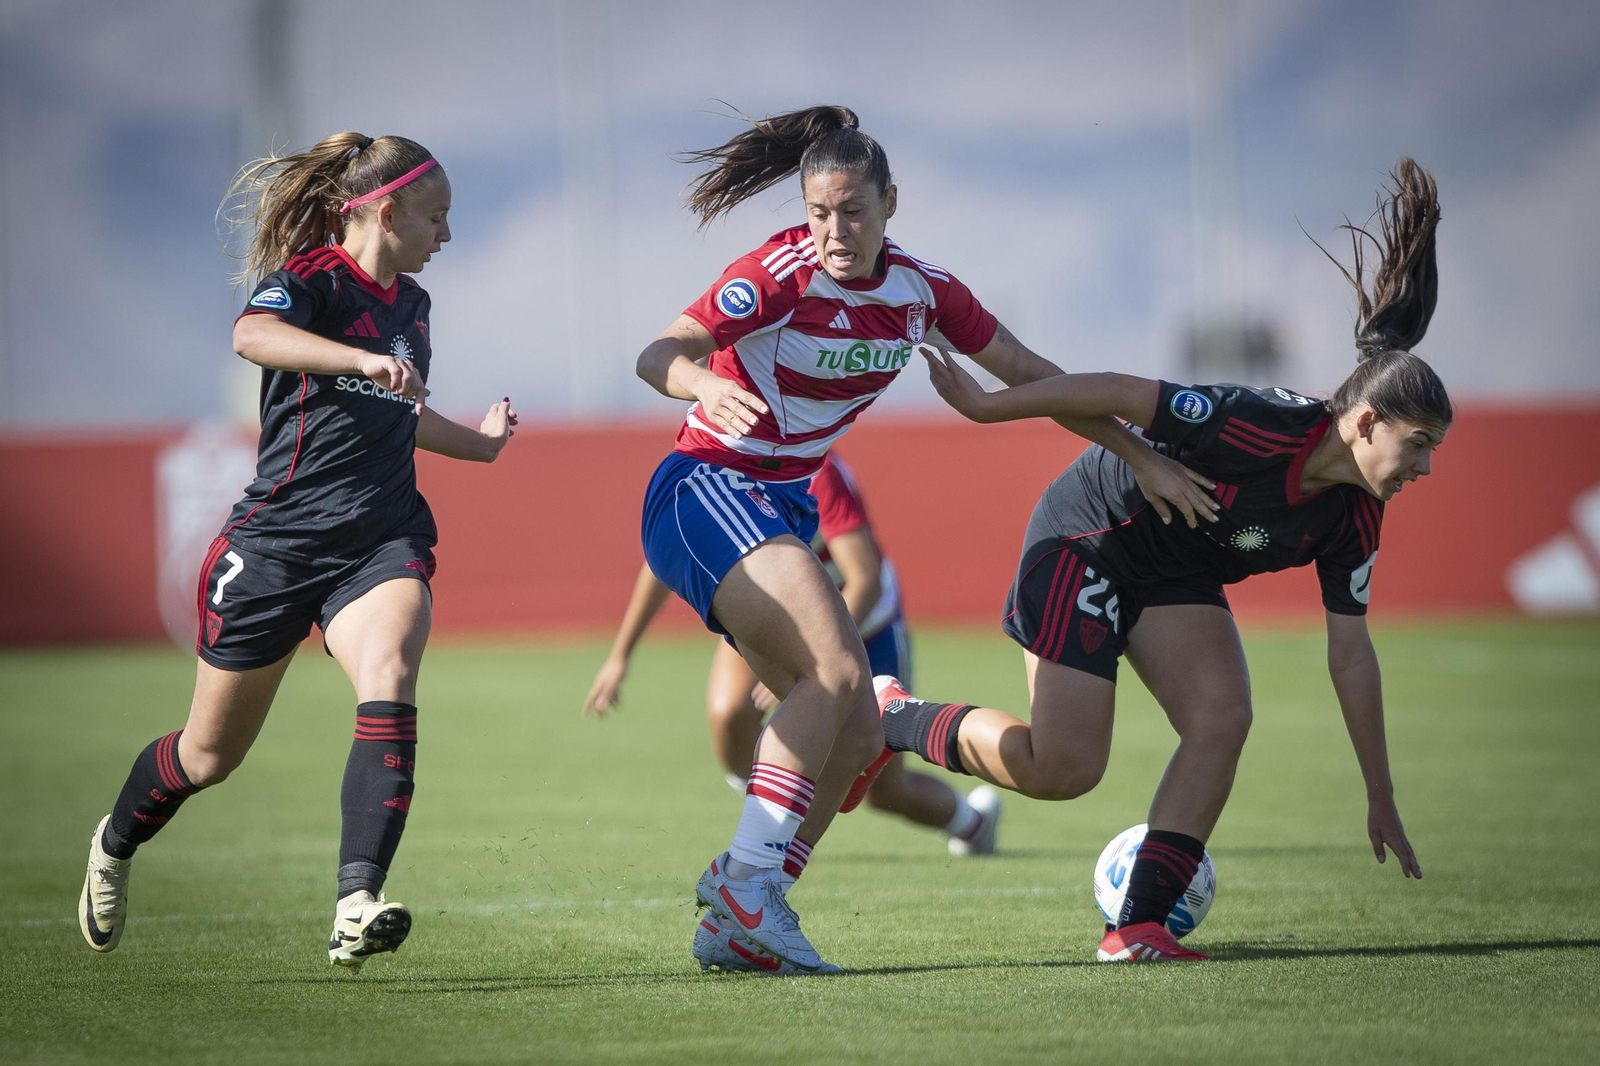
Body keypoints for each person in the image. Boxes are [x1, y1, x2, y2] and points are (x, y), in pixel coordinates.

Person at [634, 104, 1219, 974]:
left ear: (890, 203)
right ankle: (745, 885)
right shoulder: (778, 273)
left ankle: (746, 912)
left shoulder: (923, 294)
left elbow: (1033, 376)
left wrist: (1138, 456)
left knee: (861, 735)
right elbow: (658, 352)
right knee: (835, 675)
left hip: (779, 507)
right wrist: (696, 384)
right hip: (708, 487)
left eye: (854, 211)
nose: (835, 231)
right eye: (820, 212)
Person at [868, 159, 1444, 963]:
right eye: (1418, 447)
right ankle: (890, 713)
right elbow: (1105, 387)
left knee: (1223, 718)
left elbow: (1351, 657)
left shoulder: (1354, 518)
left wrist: (1379, 794)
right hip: (1089, 531)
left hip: (1172, 571)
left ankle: (1135, 926)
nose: (1424, 468)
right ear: (1367, 422)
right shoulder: (1258, 424)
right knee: (1062, 767)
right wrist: (989, 407)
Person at [79, 132, 518, 973]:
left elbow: (401, 411)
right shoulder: (312, 280)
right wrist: (358, 357)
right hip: (277, 545)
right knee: (208, 758)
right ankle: (114, 840)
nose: (448, 236)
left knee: (389, 671)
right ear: (386, 213)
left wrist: (481, 444)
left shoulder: (414, 308)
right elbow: (252, 336)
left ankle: (356, 903)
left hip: (379, 537)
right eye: (438, 217)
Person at [585, 452, 1001, 859]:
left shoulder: (819, 468)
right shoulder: (720, 457)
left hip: (865, 625)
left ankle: (972, 822)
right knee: (731, 711)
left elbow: (864, 578)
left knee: (881, 788)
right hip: (780, 614)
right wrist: (620, 654)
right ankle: (771, 825)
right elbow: (671, 552)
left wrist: (817, 660)